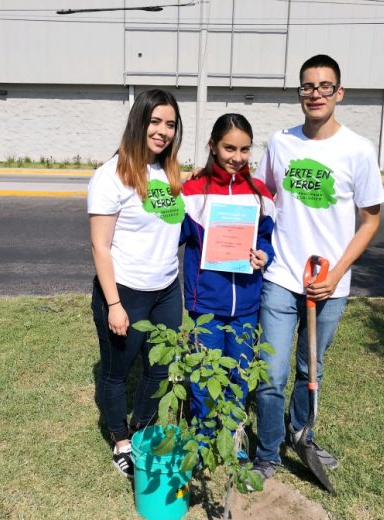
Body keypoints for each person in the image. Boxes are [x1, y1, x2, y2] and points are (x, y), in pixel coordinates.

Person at [251, 54, 384, 482]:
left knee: (311, 368)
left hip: (329, 284)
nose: (316, 94)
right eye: (308, 86)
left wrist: (336, 274)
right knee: (272, 372)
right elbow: (262, 196)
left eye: (325, 86)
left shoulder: (358, 150)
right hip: (281, 276)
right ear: (300, 93)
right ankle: (268, 452)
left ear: (338, 93)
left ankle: (300, 433)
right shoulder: (280, 142)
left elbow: (370, 220)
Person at [87, 89, 185, 478]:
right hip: (126, 292)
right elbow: (100, 246)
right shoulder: (110, 176)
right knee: (116, 372)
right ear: (139, 122)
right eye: (155, 121)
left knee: (158, 369)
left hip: (167, 290)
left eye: (170, 124)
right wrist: (114, 304)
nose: (163, 131)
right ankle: (121, 441)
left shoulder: (170, 173)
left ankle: (141, 429)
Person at [181, 113, 275, 455]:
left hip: (246, 305)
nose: (237, 157)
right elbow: (171, 235)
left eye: (244, 149)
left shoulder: (260, 193)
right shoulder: (193, 192)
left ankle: (234, 435)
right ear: (213, 146)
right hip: (205, 304)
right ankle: (203, 437)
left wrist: (264, 254)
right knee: (204, 374)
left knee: (239, 374)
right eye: (229, 148)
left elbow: (267, 238)